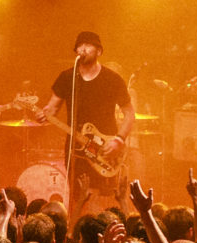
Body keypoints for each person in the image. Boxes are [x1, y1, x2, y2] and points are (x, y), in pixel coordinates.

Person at [32, 31, 134, 210]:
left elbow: (129, 114)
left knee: (98, 200)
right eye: (80, 46)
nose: (83, 49)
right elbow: (52, 108)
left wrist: (119, 140)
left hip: (104, 149)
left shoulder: (112, 79)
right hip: (76, 147)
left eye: (88, 45)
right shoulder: (67, 77)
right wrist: (43, 114)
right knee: (78, 196)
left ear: (99, 51)